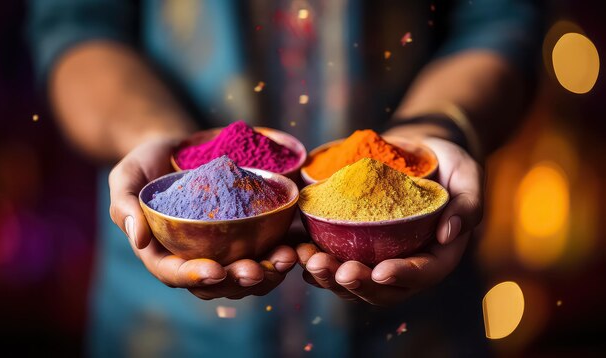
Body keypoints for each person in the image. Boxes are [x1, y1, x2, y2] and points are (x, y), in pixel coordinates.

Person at [29, 1, 542, 356]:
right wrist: (154, 135)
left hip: (415, 331)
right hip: (165, 331)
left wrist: (437, 127)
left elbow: (499, 18)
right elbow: (78, 25)